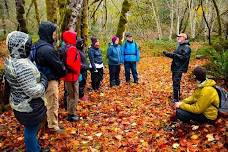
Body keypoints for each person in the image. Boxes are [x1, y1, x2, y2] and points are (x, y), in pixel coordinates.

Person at [4, 31, 48, 152]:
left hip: (20, 103)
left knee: (31, 129)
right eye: (27, 46)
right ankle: (33, 150)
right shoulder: (21, 66)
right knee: (31, 131)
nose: (30, 48)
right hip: (29, 106)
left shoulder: (12, 60)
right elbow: (33, 91)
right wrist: (44, 82)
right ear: (20, 47)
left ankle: (35, 147)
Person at [32, 21, 67, 133]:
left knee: (46, 103)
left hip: (41, 80)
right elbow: (58, 66)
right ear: (48, 33)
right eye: (53, 32)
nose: (55, 35)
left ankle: (49, 123)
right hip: (50, 80)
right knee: (52, 102)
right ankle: (52, 126)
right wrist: (64, 71)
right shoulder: (47, 49)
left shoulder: (37, 45)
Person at [163, 33, 191, 102]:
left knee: (176, 82)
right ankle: (176, 96)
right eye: (178, 37)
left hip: (180, 68)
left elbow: (183, 57)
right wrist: (167, 54)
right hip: (175, 67)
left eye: (180, 37)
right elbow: (174, 55)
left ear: (184, 38)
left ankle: (176, 99)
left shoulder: (186, 47)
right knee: (175, 82)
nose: (178, 38)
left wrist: (174, 54)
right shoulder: (179, 46)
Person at [62, 30, 81, 122]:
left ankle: (70, 112)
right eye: (75, 37)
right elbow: (70, 63)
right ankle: (71, 114)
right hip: (72, 76)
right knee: (73, 95)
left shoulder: (65, 47)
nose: (76, 39)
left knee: (70, 95)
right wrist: (77, 71)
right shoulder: (72, 48)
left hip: (68, 75)